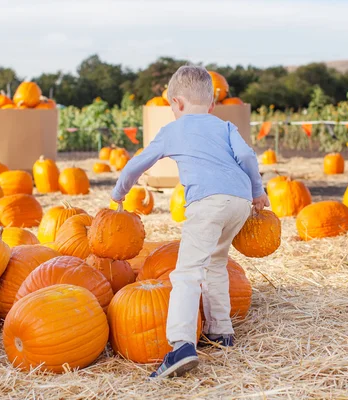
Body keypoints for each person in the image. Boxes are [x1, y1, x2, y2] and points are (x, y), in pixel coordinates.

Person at [111, 65, 268, 379]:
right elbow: (248, 156)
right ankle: (221, 331)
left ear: (176, 104)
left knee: (186, 273)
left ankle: (181, 345)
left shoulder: (173, 130)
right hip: (238, 201)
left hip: (207, 202)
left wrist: (119, 193)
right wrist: (257, 192)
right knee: (216, 263)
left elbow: (139, 162)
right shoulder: (224, 126)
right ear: (211, 105)